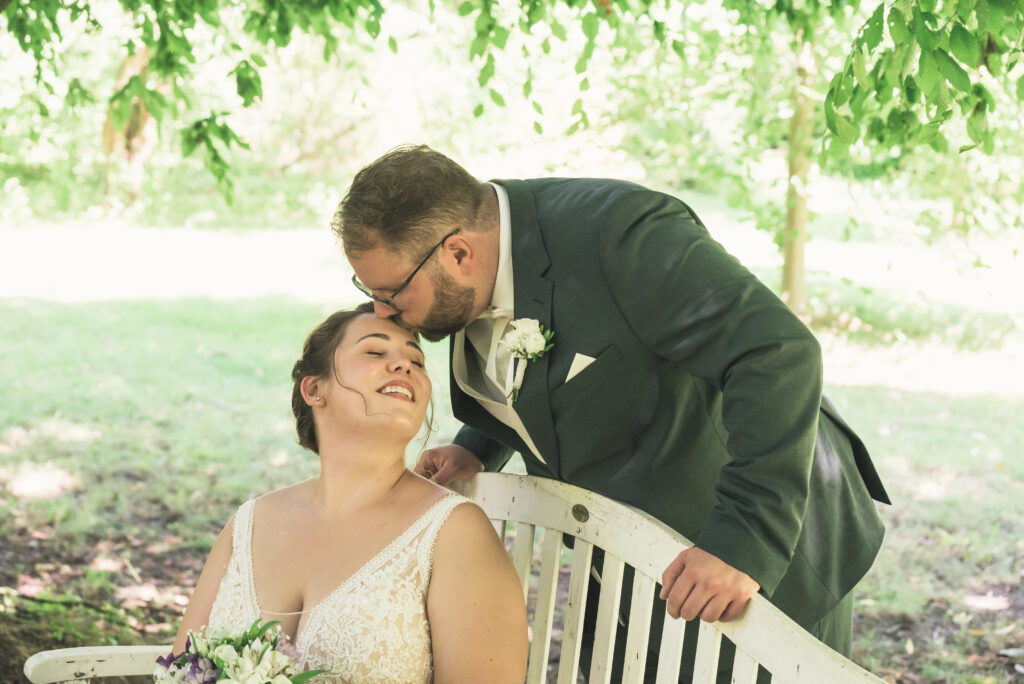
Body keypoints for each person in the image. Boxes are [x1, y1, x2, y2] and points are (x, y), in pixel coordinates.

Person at [334, 145, 891, 677]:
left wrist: (743, 542)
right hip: (627, 570)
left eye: (391, 292)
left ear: (458, 253)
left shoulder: (621, 233)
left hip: (759, 553)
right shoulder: (473, 269)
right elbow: (539, 374)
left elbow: (776, 353)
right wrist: (478, 445)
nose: (382, 312)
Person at [173, 302, 528, 683]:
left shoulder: (455, 532)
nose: (404, 365)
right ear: (314, 389)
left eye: (418, 361)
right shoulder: (248, 525)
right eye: (375, 351)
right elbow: (180, 671)